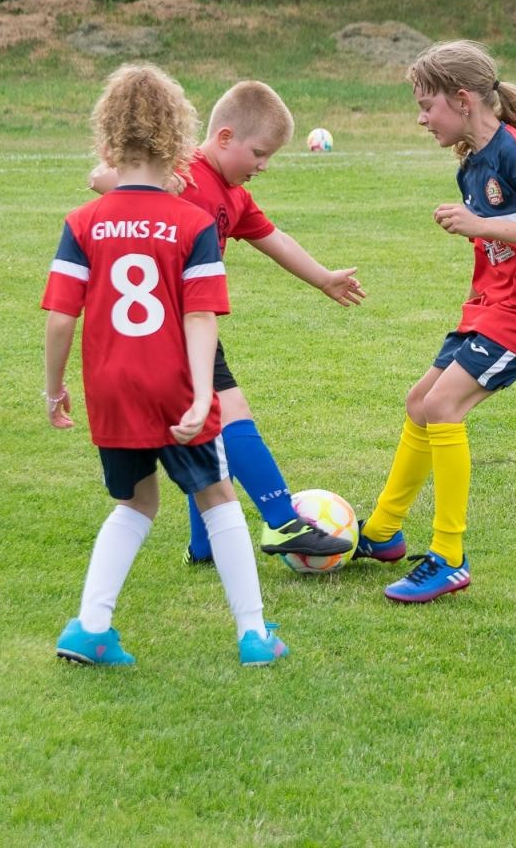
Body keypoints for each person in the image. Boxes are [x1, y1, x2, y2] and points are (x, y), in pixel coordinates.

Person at [45, 63, 286, 667]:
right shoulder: (193, 222)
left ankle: (90, 626)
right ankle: (253, 634)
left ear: (106, 145)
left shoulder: (82, 222)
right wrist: (203, 393)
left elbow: (61, 317)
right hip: (174, 383)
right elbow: (200, 317)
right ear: (181, 145)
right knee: (218, 497)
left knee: (136, 503)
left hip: (110, 387)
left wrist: (54, 388)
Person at [87, 80, 361, 564]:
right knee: (232, 411)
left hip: (189, 322)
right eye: (259, 153)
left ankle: (204, 544)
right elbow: (100, 178)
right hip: (171, 324)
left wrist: (324, 279)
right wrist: (159, 184)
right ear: (225, 137)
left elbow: (276, 240)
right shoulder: (184, 173)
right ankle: (283, 522)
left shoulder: (233, 196)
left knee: (207, 431)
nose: (263, 165)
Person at [352, 40, 516, 603]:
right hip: (495, 307)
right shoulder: (472, 165)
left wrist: (481, 225)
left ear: (462, 99)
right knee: (419, 401)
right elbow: (498, 251)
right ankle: (381, 533)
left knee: (443, 407)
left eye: (426, 105)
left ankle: (449, 558)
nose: (421, 118)